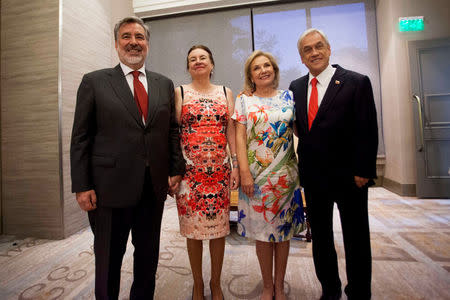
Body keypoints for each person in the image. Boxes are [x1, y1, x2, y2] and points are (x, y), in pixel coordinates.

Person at [70, 16, 185, 300]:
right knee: (109, 258)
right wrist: (81, 185)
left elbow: (171, 131)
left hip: (153, 187)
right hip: (109, 189)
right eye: (126, 36)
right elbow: (81, 137)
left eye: (139, 37)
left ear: (147, 43)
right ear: (117, 43)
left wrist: (175, 167)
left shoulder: (163, 83)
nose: (134, 42)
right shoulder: (94, 82)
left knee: (148, 256)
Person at [289, 28, 378, 300]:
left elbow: (367, 128)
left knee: (356, 238)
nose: (314, 52)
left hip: (350, 177)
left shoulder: (356, 82)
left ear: (329, 50)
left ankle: (359, 291)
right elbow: (299, 128)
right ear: (302, 58)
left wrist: (364, 170)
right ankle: (330, 288)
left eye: (318, 47)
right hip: (314, 178)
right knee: (322, 239)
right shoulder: (296, 87)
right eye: (307, 50)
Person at [233, 50, 305, 300]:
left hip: (285, 177)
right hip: (255, 178)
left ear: (274, 69)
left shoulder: (290, 97)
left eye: (267, 65)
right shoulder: (243, 101)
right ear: (250, 75)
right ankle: (266, 286)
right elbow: (240, 138)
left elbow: (300, 130)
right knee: (263, 234)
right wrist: (244, 173)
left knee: (283, 233)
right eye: (257, 67)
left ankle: (279, 285)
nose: (263, 70)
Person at [174, 45, 239, 300]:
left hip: (220, 172)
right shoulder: (180, 92)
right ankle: (198, 283)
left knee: (218, 230)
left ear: (212, 64)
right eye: (192, 59)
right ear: (188, 66)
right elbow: (173, 133)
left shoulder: (226, 92)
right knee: (193, 231)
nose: (198, 62)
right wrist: (175, 170)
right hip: (190, 175)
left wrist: (234, 165)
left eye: (203, 58)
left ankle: (216, 283)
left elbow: (231, 131)